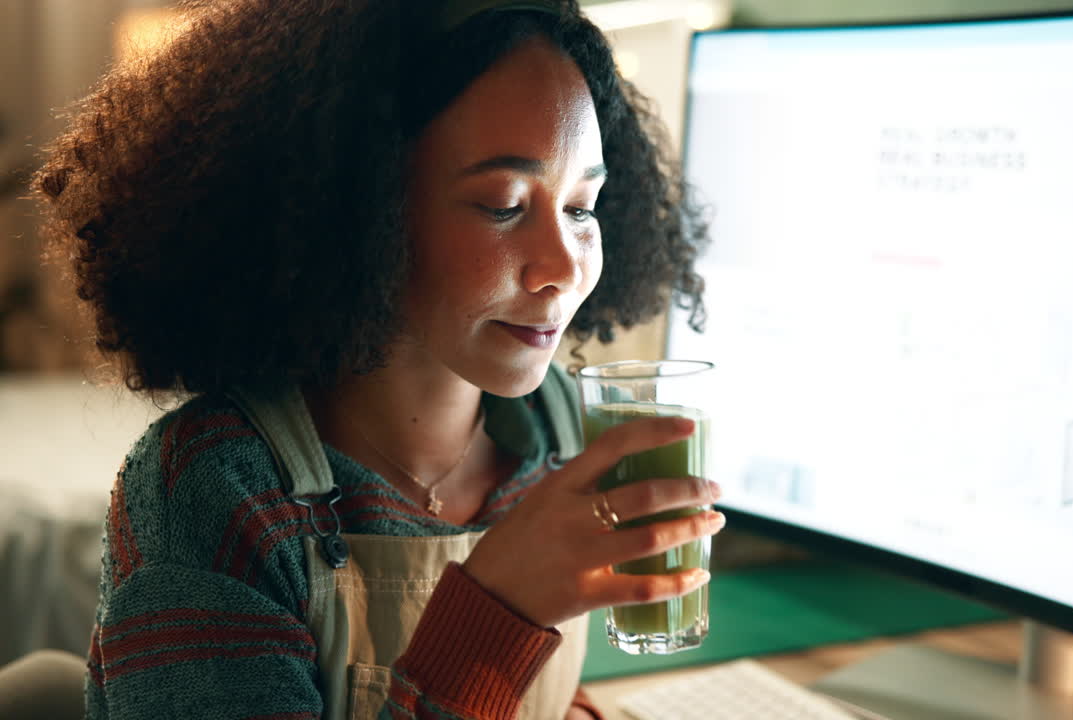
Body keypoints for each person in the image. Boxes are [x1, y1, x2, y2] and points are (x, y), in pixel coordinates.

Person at [29, 0, 720, 718]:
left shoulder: (552, 436)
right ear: (361, 211)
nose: (563, 267)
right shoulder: (213, 494)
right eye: (504, 205)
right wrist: (498, 614)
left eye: (581, 208)